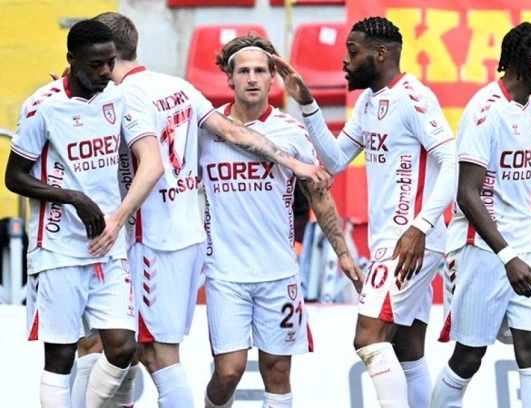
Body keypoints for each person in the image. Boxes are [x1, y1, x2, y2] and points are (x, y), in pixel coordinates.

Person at [68, 12, 334, 408]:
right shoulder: (179, 87)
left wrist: (116, 221)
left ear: (105, 52)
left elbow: (152, 165)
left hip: (149, 240)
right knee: (128, 349)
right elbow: (231, 131)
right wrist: (293, 163)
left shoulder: (127, 96)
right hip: (187, 241)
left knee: (136, 351)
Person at [274, 16, 456, 407]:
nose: (345, 60)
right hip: (396, 241)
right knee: (407, 351)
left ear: (381, 53)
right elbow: (335, 160)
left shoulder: (413, 97)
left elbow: (451, 161)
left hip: (408, 241)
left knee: (368, 339)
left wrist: (420, 227)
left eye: (353, 52)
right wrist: (308, 104)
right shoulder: (369, 102)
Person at [199, 33, 362, 408]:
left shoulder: (291, 130)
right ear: (229, 77)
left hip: (278, 272)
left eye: (260, 70)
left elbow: (318, 194)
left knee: (277, 370)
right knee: (229, 371)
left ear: (273, 77)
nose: (252, 78)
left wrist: (343, 252)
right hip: (225, 272)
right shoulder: (206, 131)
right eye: (244, 71)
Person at [5, 20, 154, 408]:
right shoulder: (43, 106)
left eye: (110, 62)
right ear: (72, 60)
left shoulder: (116, 98)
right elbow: (14, 177)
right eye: (96, 65)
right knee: (61, 358)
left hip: (107, 245)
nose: (106, 72)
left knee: (123, 349)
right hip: (58, 249)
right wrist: (73, 198)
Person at [429, 22, 531, 408]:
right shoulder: (484, 112)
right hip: (482, 247)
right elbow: (466, 193)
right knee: (469, 357)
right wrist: (507, 256)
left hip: (526, 241)